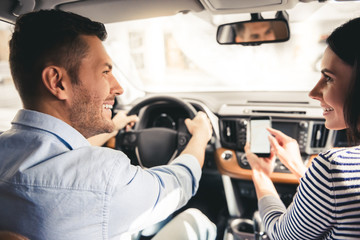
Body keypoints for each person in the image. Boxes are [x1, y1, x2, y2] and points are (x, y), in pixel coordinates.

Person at [0, 9, 215, 239]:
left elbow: (62, 157)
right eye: (105, 72)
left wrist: (115, 125)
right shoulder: (103, 177)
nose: (119, 87)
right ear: (57, 82)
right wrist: (200, 137)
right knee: (197, 221)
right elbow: (177, 186)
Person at [245, 17, 360, 239]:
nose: (313, 93)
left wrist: (260, 174)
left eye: (328, 78)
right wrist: (300, 169)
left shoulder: (333, 168)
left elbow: (280, 234)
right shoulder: (334, 176)